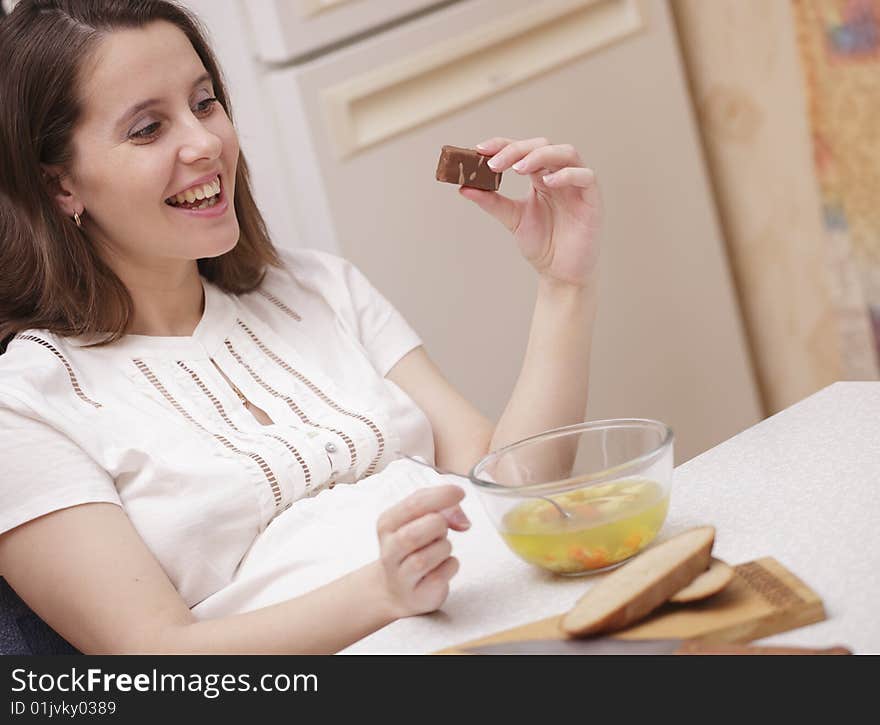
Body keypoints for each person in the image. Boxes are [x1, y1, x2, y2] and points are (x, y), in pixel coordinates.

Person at [0, 0, 601, 654]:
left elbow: (512, 490)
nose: (205, 143)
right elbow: (153, 657)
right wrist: (382, 591)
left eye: (205, 103)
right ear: (60, 185)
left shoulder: (316, 287)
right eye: (148, 128)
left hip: (527, 618)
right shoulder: (26, 405)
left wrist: (562, 282)